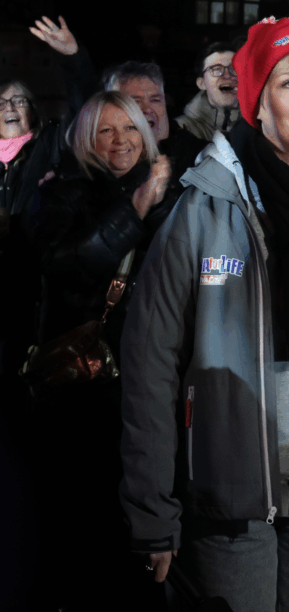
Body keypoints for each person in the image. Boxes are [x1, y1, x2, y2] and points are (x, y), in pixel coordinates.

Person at [120, 16, 289, 612]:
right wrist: (151, 507)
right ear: (257, 102)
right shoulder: (205, 205)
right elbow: (150, 361)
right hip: (227, 499)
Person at [29, 90, 174, 610]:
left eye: (130, 127)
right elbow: (66, 266)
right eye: (106, 131)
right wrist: (133, 211)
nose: (121, 141)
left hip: (150, 370)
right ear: (84, 139)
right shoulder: (60, 193)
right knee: (86, 508)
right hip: (87, 381)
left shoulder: (167, 190)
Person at [175, 41, 242, 144]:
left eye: (234, 69)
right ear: (202, 83)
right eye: (216, 69)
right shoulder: (182, 127)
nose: (227, 75)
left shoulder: (261, 125)